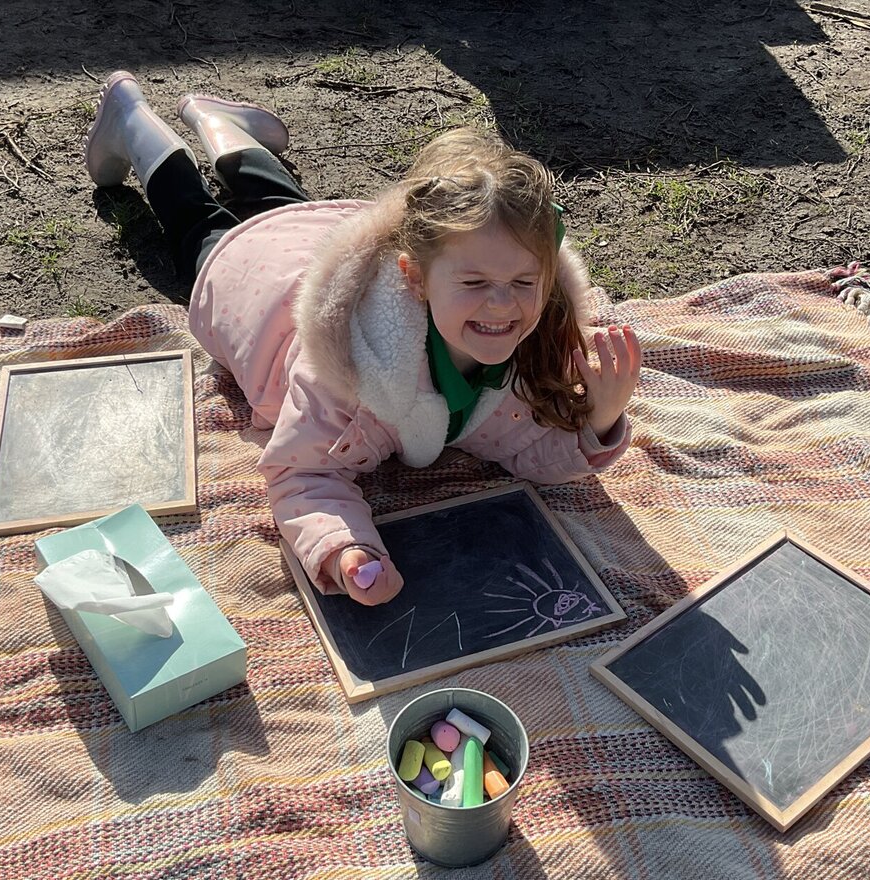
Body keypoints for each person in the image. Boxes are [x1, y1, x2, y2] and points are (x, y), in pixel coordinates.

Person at [84, 71, 642, 606]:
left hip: (322, 236)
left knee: (287, 203)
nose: (503, 304)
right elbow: (303, 472)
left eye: (524, 282)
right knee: (198, 223)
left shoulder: (530, 339)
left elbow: (523, 447)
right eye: (475, 283)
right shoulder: (347, 370)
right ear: (415, 277)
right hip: (253, 276)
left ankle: (212, 118)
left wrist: (599, 420)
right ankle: (129, 114)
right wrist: (343, 547)